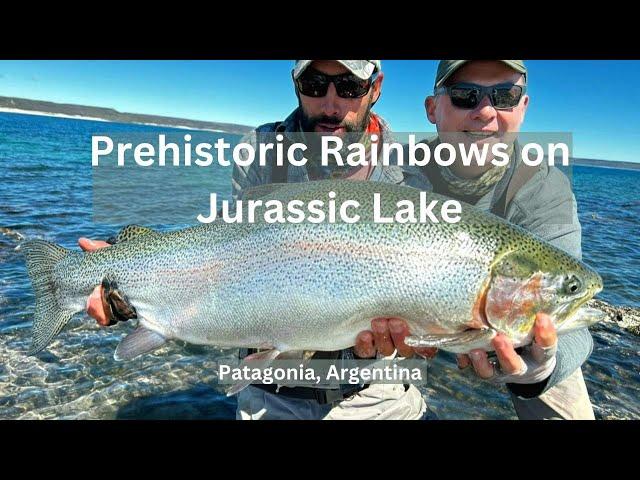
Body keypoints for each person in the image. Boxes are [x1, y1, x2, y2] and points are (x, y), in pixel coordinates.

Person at [78, 60, 588, 420]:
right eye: (315, 83)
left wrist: (523, 358)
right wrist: (132, 281)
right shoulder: (260, 152)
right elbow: (222, 252)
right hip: (268, 390)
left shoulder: (412, 174)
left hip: (379, 394)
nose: (330, 102)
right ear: (296, 83)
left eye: (348, 87)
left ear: (375, 87)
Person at [418, 60, 595, 419]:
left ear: (523, 108)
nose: (485, 112)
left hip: (515, 330)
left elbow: (573, 328)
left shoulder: (544, 188)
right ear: (432, 109)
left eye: (504, 96)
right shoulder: (399, 174)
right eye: (465, 96)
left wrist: (540, 369)